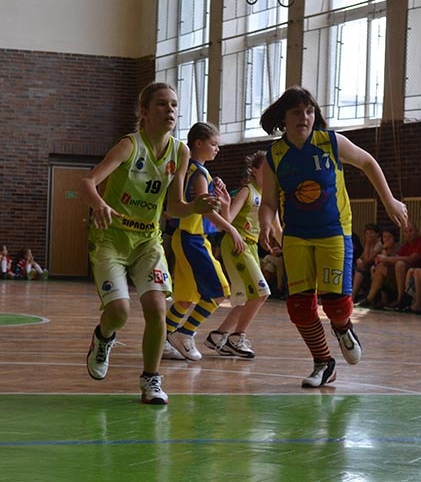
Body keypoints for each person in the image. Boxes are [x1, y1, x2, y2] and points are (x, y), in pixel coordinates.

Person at [78, 82, 219, 404]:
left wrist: (195, 207)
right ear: (144, 111)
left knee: (157, 308)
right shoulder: (129, 146)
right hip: (111, 238)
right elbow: (87, 182)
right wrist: (99, 204)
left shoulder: (180, 152)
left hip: (147, 240)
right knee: (119, 312)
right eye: (161, 104)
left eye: (174, 104)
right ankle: (103, 337)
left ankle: (151, 379)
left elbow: (174, 207)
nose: (170, 110)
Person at [258, 86, 408, 388]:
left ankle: (342, 327)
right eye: (297, 112)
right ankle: (324, 363)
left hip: (333, 232)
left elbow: (368, 162)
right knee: (299, 307)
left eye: (309, 111)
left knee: (336, 304)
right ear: (284, 118)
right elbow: (269, 201)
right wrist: (265, 224)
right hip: (296, 236)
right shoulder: (274, 156)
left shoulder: (331, 142)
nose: (304, 117)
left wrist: (389, 200)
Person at [164, 122, 245, 361]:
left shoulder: (192, 171)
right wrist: (231, 229)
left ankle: (162, 339)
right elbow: (205, 210)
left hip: (189, 238)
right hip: (192, 239)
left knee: (185, 298)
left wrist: (224, 202)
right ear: (198, 143)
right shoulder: (199, 172)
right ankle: (185, 334)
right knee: (219, 291)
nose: (217, 149)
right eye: (214, 144)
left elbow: (211, 211)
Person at [205, 150, 274, 358]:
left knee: (247, 297)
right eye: (266, 169)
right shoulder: (247, 191)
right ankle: (237, 337)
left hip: (251, 247)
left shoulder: (270, 197)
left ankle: (218, 336)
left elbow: (277, 229)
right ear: (254, 171)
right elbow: (227, 221)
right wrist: (226, 205)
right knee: (262, 293)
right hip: (237, 244)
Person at [358, 221, 421, 309]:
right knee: (380, 267)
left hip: (415, 271)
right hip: (397, 273)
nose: (408, 234)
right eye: (406, 231)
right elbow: (395, 258)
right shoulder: (406, 245)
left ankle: (400, 299)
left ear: (417, 231)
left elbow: (412, 259)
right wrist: (382, 260)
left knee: (399, 264)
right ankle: (370, 298)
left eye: (410, 231)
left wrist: (386, 258)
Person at [352, 223, 382, 301]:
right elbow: (362, 257)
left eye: (371, 233)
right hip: (366, 266)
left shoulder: (378, 244)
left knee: (359, 271)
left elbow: (368, 260)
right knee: (353, 268)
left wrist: (367, 245)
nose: (369, 236)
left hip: (374, 266)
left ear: (377, 234)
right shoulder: (370, 243)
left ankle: (353, 296)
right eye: (367, 233)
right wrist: (359, 260)